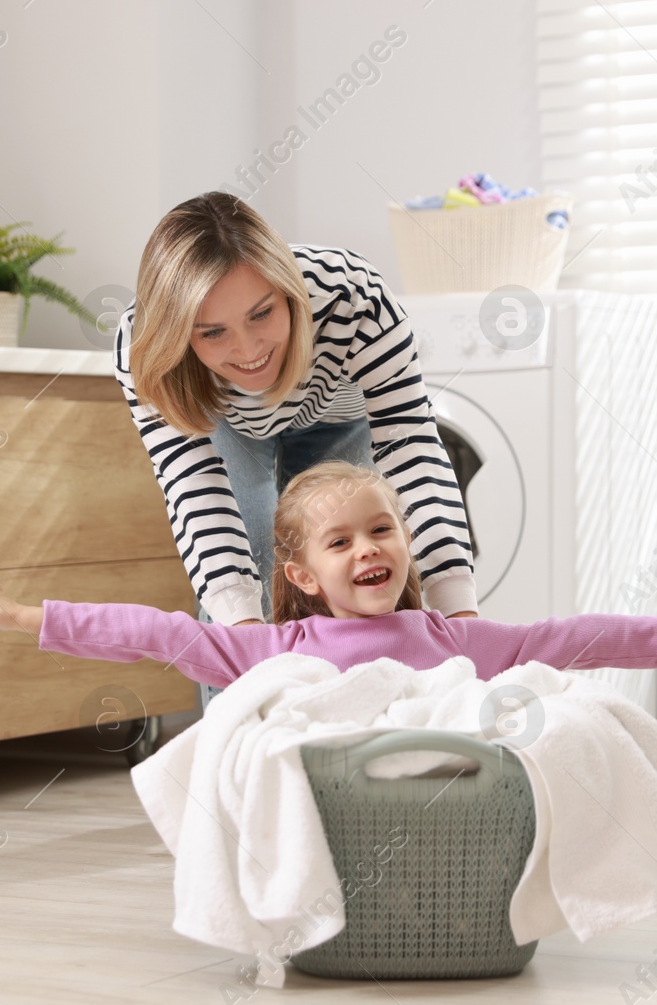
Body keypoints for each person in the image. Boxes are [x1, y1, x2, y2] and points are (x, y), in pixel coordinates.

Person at [112, 193, 479, 702]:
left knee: (343, 555)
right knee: (256, 553)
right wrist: (245, 662)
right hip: (229, 422)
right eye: (213, 332)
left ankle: (363, 720)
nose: (248, 349)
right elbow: (193, 487)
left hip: (340, 410)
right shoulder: (144, 346)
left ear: (289, 293)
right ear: (180, 335)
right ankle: (238, 755)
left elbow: (410, 442)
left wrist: (458, 613)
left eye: (262, 314)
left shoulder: (355, 296)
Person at [0, 462, 657, 691]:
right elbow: (154, 632)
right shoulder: (271, 648)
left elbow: (578, 637)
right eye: (339, 541)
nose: (366, 549)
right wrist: (28, 614)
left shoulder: (455, 637)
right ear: (303, 574)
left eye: (381, 529)